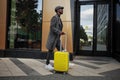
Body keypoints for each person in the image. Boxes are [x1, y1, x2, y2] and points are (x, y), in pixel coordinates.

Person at [45, 6, 65, 70]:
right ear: (57, 10)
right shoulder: (54, 18)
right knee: (50, 50)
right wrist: (59, 32)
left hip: (57, 38)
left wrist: (61, 32)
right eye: (61, 9)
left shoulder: (59, 18)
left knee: (62, 50)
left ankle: (62, 63)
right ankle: (47, 64)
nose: (62, 10)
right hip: (53, 38)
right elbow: (52, 27)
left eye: (62, 9)